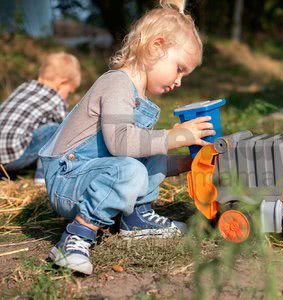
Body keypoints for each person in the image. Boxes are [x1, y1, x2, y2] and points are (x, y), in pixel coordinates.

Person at [38, 0, 214, 275]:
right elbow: (121, 144)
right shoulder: (117, 84)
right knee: (132, 164)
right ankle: (77, 236)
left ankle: (136, 219)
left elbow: (146, 156)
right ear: (156, 46)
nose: (179, 81)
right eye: (179, 69)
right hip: (67, 178)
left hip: (94, 174)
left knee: (146, 149)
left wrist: (190, 163)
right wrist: (174, 135)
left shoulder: (137, 96)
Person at [0, 52, 81, 184]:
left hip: (3, 158)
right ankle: (42, 177)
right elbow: (65, 132)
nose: (67, 97)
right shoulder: (55, 99)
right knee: (55, 130)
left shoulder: (24, 87)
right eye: (68, 92)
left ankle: (9, 174)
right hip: (13, 158)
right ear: (62, 83)